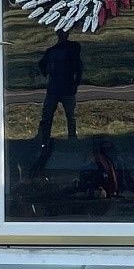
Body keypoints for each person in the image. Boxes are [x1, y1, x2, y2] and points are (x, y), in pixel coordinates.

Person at [31, 29, 83, 171]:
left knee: (68, 115)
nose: (63, 36)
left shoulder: (70, 49)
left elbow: (79, 67)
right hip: (58, 88)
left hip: (62, 88)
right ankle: (46, 137)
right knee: (49, 115)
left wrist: (76, 82)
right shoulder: (57, 50)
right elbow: (42, 65)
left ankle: (68, 137)